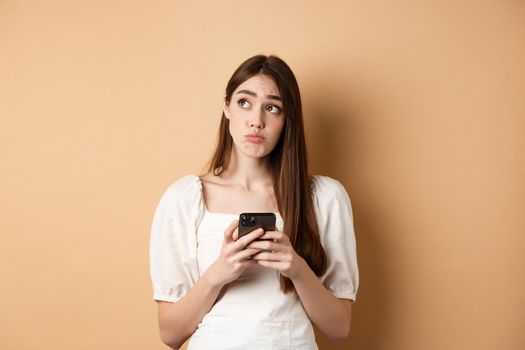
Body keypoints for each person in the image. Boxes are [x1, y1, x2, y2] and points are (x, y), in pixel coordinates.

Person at [149, 54, 359, 350]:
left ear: (288, 119)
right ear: (226, 107)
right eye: (244, 102)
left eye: (272, 108)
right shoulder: (184, 198)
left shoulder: (324, 198)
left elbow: (339, 327)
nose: (256, 121)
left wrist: (296, 268)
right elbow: (170, 334)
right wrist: (218, 274)